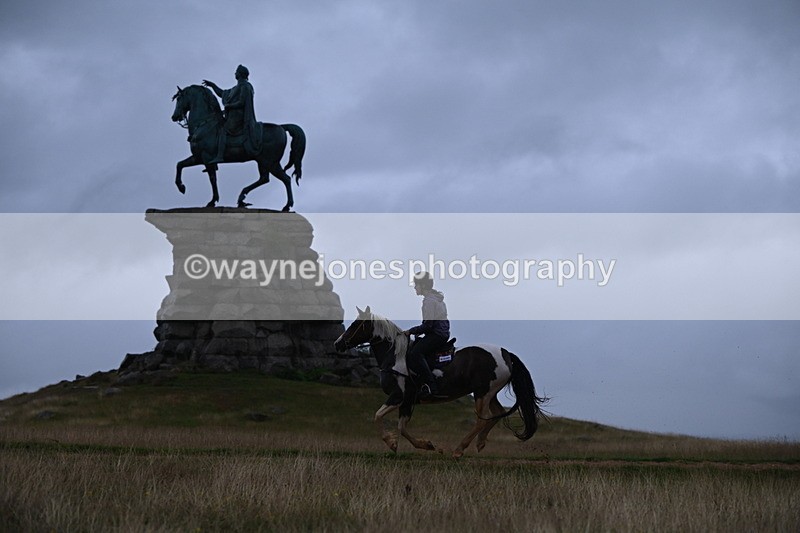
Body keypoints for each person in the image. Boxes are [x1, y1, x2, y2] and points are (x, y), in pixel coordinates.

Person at [402, 272, 450, 398]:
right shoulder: (436, 298)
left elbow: (428, 325)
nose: (414, 287)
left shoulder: (429, 301)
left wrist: (411, 331)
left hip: (437, 334)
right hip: (442, 333)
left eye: (416, 285)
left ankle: (431, 387)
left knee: (415, 353)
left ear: (423, 285)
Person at [202, 64, 263, 163]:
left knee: (223, 130)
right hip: (232, 115)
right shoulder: (235, 88)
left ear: (240, 74)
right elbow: (222, 93)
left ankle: (220, 156)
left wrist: (229, 106)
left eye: (236, 72)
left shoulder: (245, 86)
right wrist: (212, 85)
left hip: (239, 116)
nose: (235, 73)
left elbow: (242, 102)